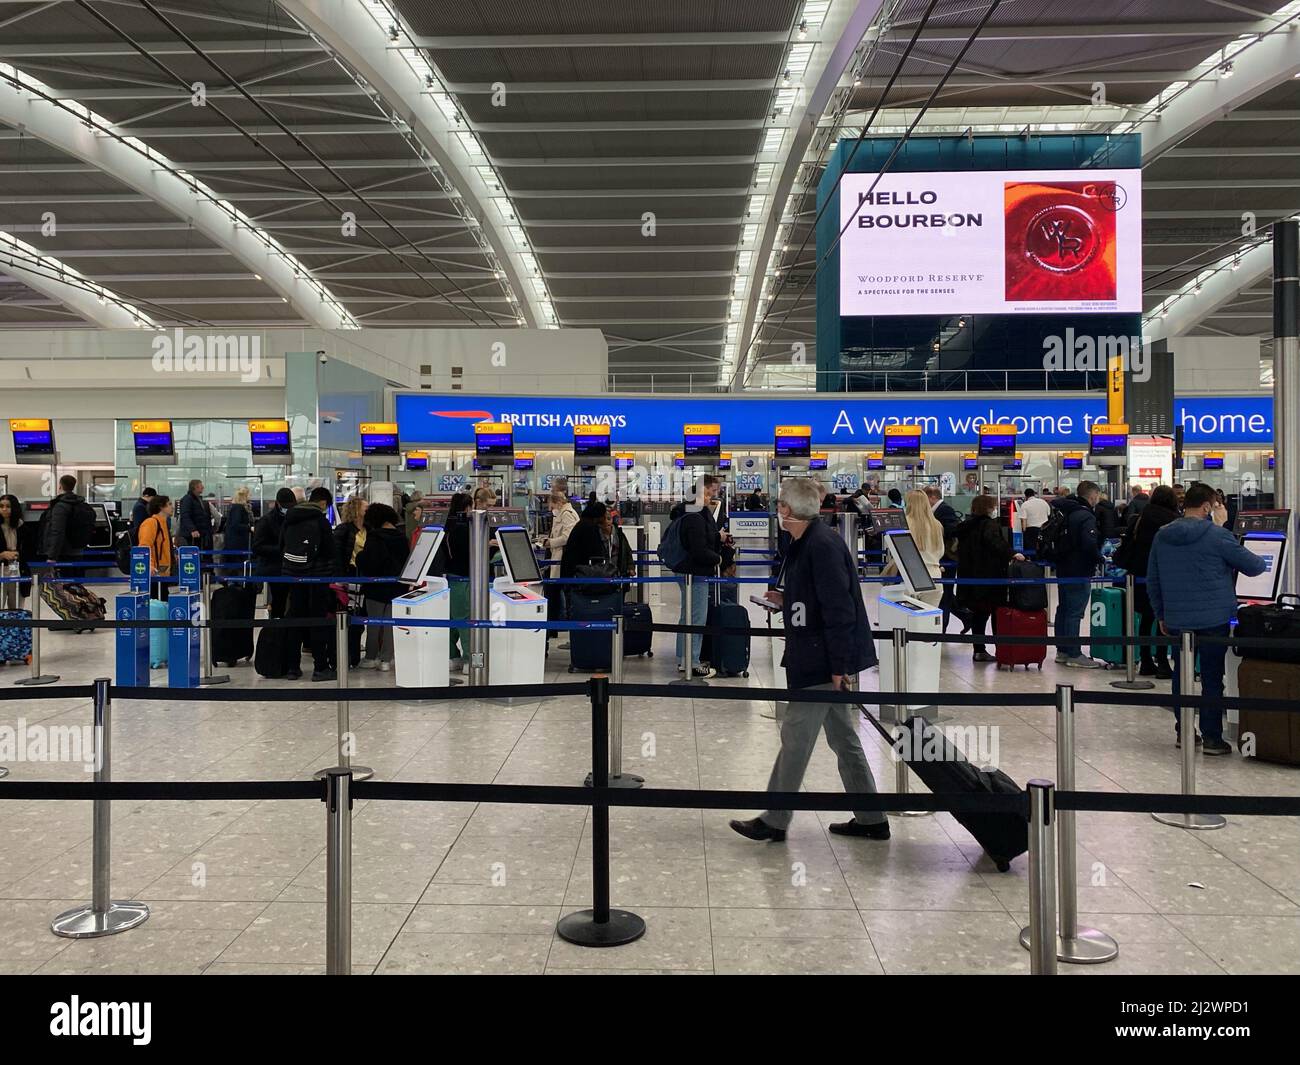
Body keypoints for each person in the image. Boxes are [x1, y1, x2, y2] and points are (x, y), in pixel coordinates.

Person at [730, 475, 887, 843]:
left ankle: (775, 818)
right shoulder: (804, 543)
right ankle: (872, 817)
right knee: (845, 740)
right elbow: (819, 600)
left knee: (796, 736)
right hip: (817, 652)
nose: (777, 511)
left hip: (819, 659)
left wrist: (838, 665)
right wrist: (786, 601)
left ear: (786, 510)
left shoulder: (821, 546)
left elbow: (839, 610)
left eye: (780, 505)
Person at [1148, 482, 1265, 756]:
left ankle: (1184, 730)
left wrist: (1161, 614)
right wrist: (1225, 529)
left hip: (1177, 618)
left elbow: (1153, 580)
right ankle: (1213, 738)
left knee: (1182, 673)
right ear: (1207, 507)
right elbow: (1256, 566)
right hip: (1214, 618)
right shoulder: (1217, 535)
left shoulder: (1162, 535)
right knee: (1212, 676)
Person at [1116, 484, 1179, 678]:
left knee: (1146, 618)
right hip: (1162, 576)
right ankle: (1162, 661)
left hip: (1139, 575)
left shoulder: (1140, 518)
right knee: (1162, 619)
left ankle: (1145, 661)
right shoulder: (1173, 521)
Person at [954, 495, 1024, 662]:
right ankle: (1001, 650)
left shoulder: (965, 526)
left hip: (971, 578)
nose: (994, 510)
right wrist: (1013, 553)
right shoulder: (990, 525)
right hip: (991, 577)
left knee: (979, 614)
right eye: (993, 507)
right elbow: (996, 544)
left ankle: (979, 650)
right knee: (996, 613)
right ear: (988, 508)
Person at [281, 486, 336, 682]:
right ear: (323, 503)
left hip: (294, 576)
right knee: (317, 620)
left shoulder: (291, 518)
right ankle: (320, 667)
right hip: (317, 577)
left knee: (295, 619)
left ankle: (292, 668)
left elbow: (282, 545)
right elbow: (330, 549)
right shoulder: (320, 520)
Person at [1049, 481, 1105, 668]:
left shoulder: (1067, 511)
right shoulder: (1085, 516)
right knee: (1074, 612)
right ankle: (1074, 653)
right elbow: (1089, 544)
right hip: (1079, 569)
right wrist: (1100, 558)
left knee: (1063, 609)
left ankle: (1062, 651)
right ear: (1092, 496)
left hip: (1063, 567)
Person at [674, 478, 723, 678]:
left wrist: (717, 537)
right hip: (695, 571)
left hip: (685, 570)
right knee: (696, 617)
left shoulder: (687, 512)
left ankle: (683, 658)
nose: (712, 497)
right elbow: (699, 550)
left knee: (687, 615)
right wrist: (717, 558)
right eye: (709, 492)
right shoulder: (695, 517)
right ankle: (692, 662)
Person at [356, 503, 409, 672]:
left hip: (376, 587)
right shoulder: (402, 537)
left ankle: (371, 657)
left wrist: (360, 557)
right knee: (390, 624)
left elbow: (370, 562)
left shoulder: (375, 537)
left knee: (373, 623)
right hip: (397, 586)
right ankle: (386, 659)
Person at [882, 489, 945, 607]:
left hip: (910, 577)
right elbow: (940, 551)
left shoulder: (904, 523)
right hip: (935, 576)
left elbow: (894, 550)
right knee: (929, 620)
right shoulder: (936, 525)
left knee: (907, 621)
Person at [437, 492, 473, 668]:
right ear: (467, 507)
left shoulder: (446, 525)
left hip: (449, 577)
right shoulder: (466, 527)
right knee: (465, 619)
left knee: (451, 619)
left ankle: (453, 655)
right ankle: (468, 659)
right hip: (464, 577)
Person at [252, 488, 295, 619]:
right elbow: (257, 547)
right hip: (274, 569)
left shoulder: (294, 518)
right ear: (277, 503)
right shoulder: (266, 521)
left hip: (291, 568)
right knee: (279, 602)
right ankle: (277, 630)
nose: (287, 509)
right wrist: (280, 550)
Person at [41, 474, 94, 577]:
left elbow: (57, 531)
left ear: (60, 486)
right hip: (78, 550)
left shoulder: (60, 506)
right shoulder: (81, 504)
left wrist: (52, 556)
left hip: (63, 553)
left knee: (64, 585)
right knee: (76, 584)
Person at [136, 494, 174, 601]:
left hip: (163, 573)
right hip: (154, 574)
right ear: (161, 507)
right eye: (169, 504)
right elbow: (144, 547)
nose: (172, 507)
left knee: (163, 602)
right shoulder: (150, 523)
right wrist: (150, 566)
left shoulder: (164, 524)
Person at [0, 494, 35, 604]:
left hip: (18, 570)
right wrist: (2, 555)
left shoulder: (23, 528)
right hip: (1, 569)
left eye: (8, 506)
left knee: (16, 609)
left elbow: (31, 551)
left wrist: (19, 554)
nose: (4, 509)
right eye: (1, 506)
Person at [223, 486, 253, 578]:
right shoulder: (238, 508)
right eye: (249, 495)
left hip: (234, 541)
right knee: (237, 565)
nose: (250, 497)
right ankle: (236, 583)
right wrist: (249, 528)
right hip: (237, 542)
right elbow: (235, 525)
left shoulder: (236, 507)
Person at [178, 479, 213, 553]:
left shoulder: (197, 499)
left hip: (198, 534)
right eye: (201, 486)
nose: (203, 487)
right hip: (191, 535)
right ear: (195, 487)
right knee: (192, 555)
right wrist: (192, 529)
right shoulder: (188, 499)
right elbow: (185, 515)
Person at [1017, 487, 1051, 554]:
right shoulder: (1043, 502)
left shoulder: (1025, 504)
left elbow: (1024, 520)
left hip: (1031, 530)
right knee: (1043, 548)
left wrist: (1024, 531)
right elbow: (1049, 514)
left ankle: (1032, 561)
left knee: (1031, 549)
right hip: (1044, 529)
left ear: (1026, 496)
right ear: (1034, 494)